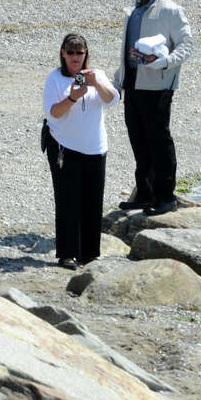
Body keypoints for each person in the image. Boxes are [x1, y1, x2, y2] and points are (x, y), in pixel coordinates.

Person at [115, 0, 194, 217]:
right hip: (133, 84)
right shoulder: (133, 11)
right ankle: (145, 193)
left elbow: (186, 44)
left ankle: (166, 197)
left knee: (159, 140)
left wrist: (166, 62)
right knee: (138, 139)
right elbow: (126, 51)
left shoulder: (171, 10)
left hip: (158, 86)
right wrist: (118, 81)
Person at [43, 33, 120, 271]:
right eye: (71, 52)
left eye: (80, 52)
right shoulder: (55, 79)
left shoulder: (96, 75)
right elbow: (53, 112)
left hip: (95, 148)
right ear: (63, 53)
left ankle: (89, 254)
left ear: (86, 53)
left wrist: (96, 83)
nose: (75, 58)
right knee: (67, 201)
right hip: (64, 147)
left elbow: (113, 99)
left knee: (92, 201)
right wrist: (73, 97)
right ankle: (67, 254)